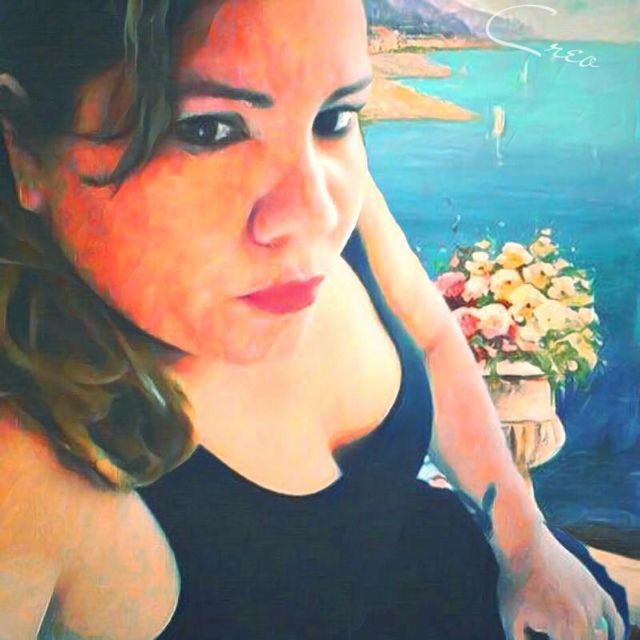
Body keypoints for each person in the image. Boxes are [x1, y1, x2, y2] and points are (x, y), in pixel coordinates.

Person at [0, 0, 629, 638]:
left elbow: (433, 338)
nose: (316, 212)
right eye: (208, 131)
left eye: (334, 117)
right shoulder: (25, 473)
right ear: (22, 150)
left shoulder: (332, 194)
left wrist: (526, 550)